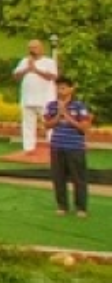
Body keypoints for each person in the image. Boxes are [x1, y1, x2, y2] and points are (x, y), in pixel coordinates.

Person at [44, 76, 92, 217]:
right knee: (58, 178)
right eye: (58, 87)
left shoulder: (79, 106)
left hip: (75, 148)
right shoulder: (51, 105)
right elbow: (47, 125)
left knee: (79, 179)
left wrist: (67, 115)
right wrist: (59, 114)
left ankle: (81, 208)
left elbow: (84, 128)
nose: (60, 90)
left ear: (71, 89)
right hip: (57, 146)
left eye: (63, 87)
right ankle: (62, 206)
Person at [13, 40, 58, 153]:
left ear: (41, 48)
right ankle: (28, 148)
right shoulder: (25, 61)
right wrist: (27, 68)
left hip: (45, 99)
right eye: (30, 48)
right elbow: (16, 76)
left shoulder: (49, 62)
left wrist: (36, 69)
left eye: (35, 47)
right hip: (27, 99)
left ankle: (54, 148)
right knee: (27, 124)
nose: (32, 50)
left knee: (49, 124)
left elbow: (52, 77)